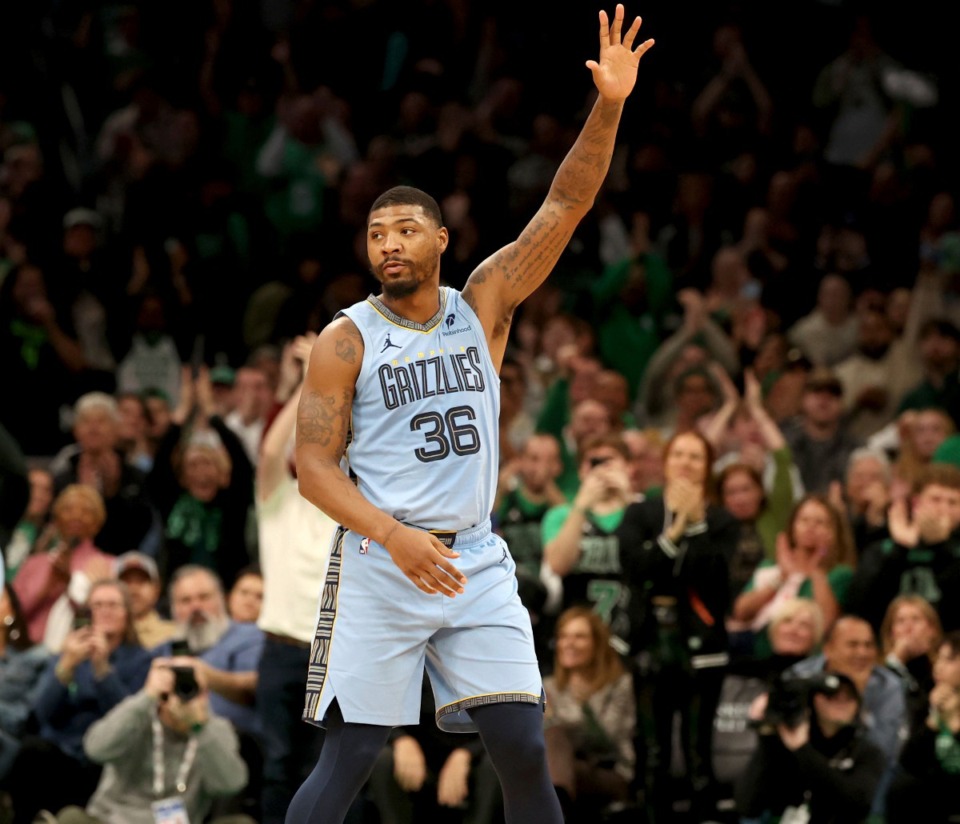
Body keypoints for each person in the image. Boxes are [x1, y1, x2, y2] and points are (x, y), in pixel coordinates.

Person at [288, 9, 654, 823]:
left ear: (443, 240)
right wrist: (392, 536)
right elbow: (312, 469)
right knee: (350, 759)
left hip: (476, 559)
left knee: (524, 747)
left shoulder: (482, 302)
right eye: (377, 232)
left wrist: (610, 104)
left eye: (406, 229)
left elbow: (565, 203)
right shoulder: (345, 340)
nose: (388, 242)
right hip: (384, 560)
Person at [615, 429, 738, 819]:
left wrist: (697, 526)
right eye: (678, 455)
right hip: (650, 641)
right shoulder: (640, 513)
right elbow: (636, 570)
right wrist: (676, 532)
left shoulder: (721, 521)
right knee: (653, 752)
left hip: (701, 646)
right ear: (666, 463)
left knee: (699, 750)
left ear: (707, 468)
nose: (685, 463)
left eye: (695, 457)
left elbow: (718, 582)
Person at [2, 579, 151, 823]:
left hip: (107, 758)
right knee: (31, 752)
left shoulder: (141, 660)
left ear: (127, 614)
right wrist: (65, 667)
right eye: (98, 605)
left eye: (113, 605)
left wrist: (102, 670)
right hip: (61, 751)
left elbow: (131, 721)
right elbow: (39, 715)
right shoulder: (69, 653)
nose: (105, 611)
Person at [53, 657, 251, 824]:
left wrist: (199, 728)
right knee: (71, 817)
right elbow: (95, 749)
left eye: (191, 687)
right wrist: (147, 696)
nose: (183, 696)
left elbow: (231, 784)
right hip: (113, 820)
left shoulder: (214, 728)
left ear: (205, 693)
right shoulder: (137, 715)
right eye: (177, 687)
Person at [734, 669, 886, 824]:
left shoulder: (867, 752)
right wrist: (766, 736)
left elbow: (855, 803)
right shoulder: (784, 747)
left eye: (849, 697)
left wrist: (803, 750)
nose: (841, 702)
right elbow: (747, 805)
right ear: (813, 700)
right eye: (831, 696)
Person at [542, 607, 636, 823]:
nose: (569, 644)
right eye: (563, 636)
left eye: (579, 637)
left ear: (597, 644)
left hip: (609, 773)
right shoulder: (548, 686)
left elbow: (606, 739)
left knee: (554, 733)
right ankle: (558, 807)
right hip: (565, 770)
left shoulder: (618, 684)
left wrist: (557, 720)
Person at [886, 630, 960, 824]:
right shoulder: (928, 698)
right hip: (938, 800)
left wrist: (954, 724)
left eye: (949, 660)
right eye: (938, 659)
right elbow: (909, 762)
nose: (938, 667)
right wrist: (934, 719)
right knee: (903, 787)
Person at [114, 550, 176, 649]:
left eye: (141, 581)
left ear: (156, 589)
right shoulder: (105, 633)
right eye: (126, 582)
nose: (134, 590)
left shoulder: (174, 635)